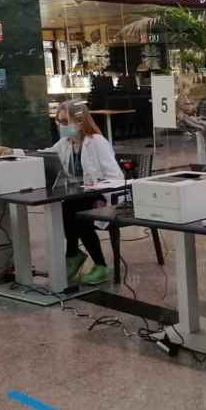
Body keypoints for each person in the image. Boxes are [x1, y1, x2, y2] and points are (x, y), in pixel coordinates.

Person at [44, 100, 123, 285]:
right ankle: (78, 255)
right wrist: (11, 152)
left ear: (80, 122)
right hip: (81, 196)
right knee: (70, 207)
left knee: (74, 210)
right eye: (59, 122)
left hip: (105, 195)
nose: (61, 126)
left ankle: (81, 258)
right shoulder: (65, 143)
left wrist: (96, 190)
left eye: (65, 122)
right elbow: (44, 155)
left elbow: (116, 176)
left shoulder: (96, 142)